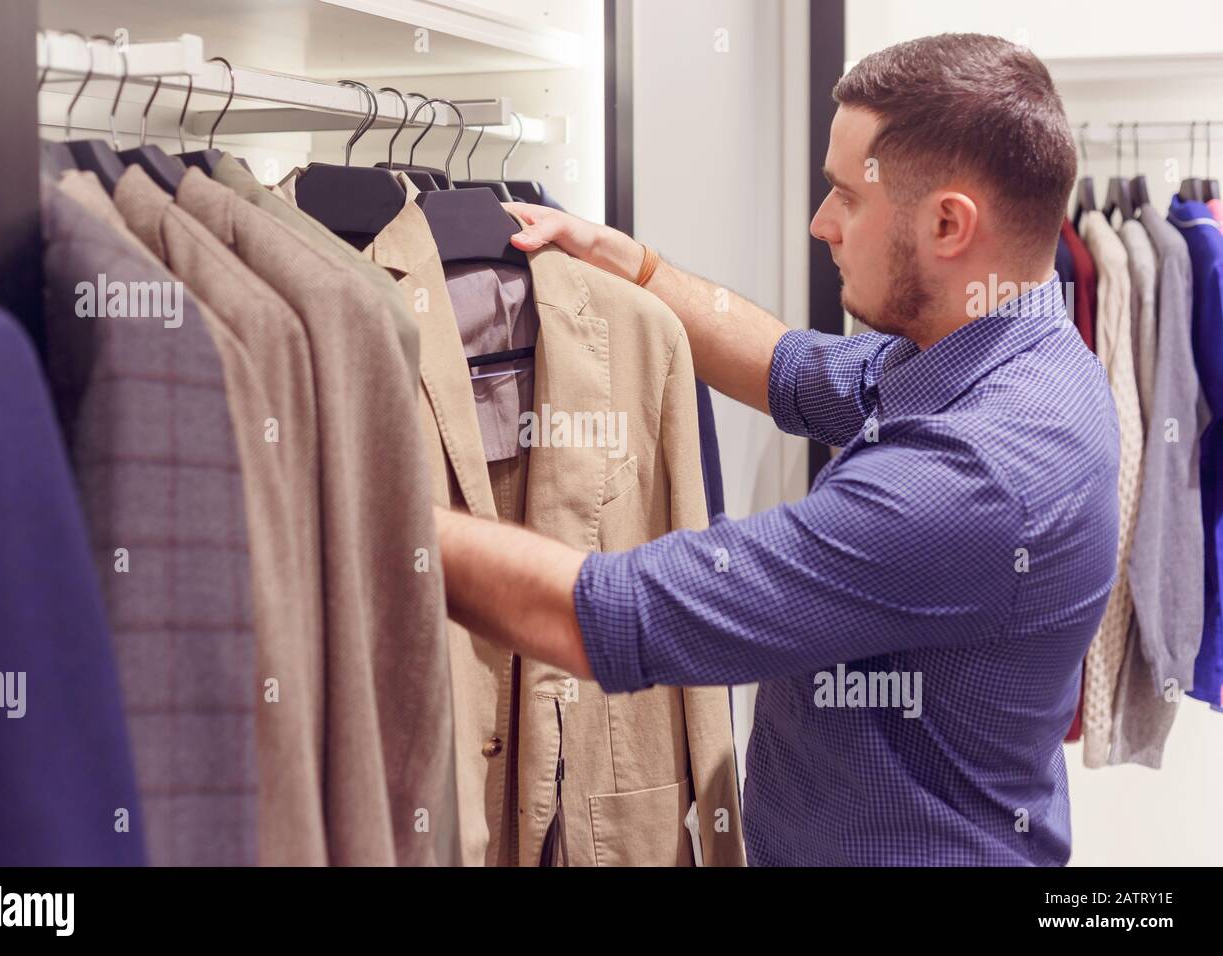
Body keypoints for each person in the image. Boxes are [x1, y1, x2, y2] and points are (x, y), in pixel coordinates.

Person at [433, 32, 1119, 865]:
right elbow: (795, 369)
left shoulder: (974, 477)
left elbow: (622, 612)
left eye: (847, 197)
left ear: (948, 223)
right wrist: (635, 267)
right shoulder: (1008, 346)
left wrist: (371, 506)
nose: (820, 223)